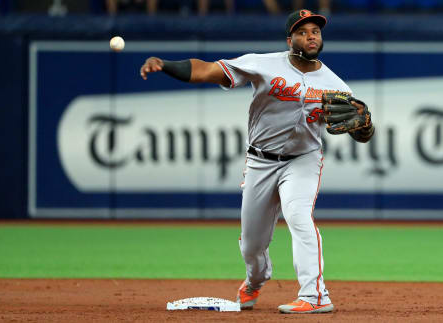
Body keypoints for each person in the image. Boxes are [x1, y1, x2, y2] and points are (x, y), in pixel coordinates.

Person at [140, 9, 375, 314]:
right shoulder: (263, 64)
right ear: (290, 38)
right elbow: (207, 70)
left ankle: (315, 295)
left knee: (298, 216)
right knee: (252, 245)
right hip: (260, 162)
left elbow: (362, 134)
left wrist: (366, 125)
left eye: (315, 30)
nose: (311, 36)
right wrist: (165, 65)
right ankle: (254, 281)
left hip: (303, 160)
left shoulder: (336, 85)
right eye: (303, 31)